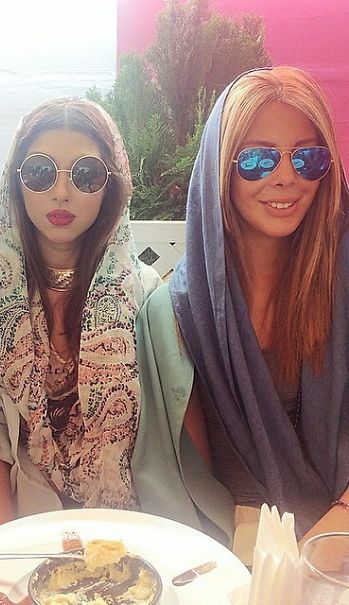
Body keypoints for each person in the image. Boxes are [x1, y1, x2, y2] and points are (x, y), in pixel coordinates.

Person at [135, 65, 349, 547]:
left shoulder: (342, 287)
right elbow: (189, 488)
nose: (286, 178)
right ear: (220, 169)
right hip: (233, 547)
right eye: (257, 160)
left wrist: (329, 540)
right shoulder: (173, 318)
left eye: (308, 158)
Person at [0, 97, 161, 527]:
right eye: (40, 172)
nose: (61, 192)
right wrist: (10, 544)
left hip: (134, 524)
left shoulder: (146, 296)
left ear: (111, 186)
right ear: (15, 182)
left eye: (86, 174)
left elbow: (168, 437)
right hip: (22, 520)